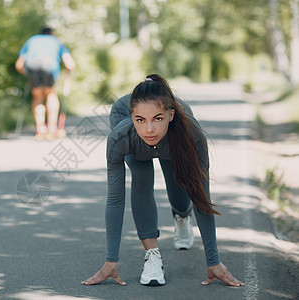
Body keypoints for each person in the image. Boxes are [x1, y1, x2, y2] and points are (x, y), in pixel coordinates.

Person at [81, 74, 244, 287]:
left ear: (170, 115)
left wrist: (213, 261)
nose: (149, 129)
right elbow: (115, 200)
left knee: (179, 185)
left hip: (175, 136)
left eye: (157, 118)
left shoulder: (191, 135)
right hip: (125, 120)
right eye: (141, 120)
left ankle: (181, 216)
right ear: (133, 118)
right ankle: (152, 256)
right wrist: (111, 260)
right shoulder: (120, 137)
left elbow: (201, 197)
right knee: (141, 177)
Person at [15, 26, 76, 140]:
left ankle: (40, 130)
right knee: (50, 94)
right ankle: (52, 129)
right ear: (52, 33)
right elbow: (70, 64)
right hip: (48, 66)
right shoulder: (55, 41)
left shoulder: (31, 40)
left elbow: (19, 65)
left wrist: (27, 74)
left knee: (37, 96)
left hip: (32, 67)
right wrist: (69, 71)